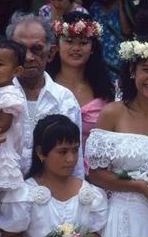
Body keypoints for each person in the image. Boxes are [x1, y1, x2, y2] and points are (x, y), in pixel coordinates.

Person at [85, 34, 148, 237]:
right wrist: (137, 186)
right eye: (147, 70)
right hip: (125, 215)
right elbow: (96, 173)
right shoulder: (112, 113)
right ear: (133, 71)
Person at [0, 114, 108, 237]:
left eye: (75, 150)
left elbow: (95, 233)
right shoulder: (24, 194)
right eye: (62, 152)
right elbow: (10, 235)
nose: (71, 159)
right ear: (41, 153)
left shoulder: (91, 194)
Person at [5, 13, 84, 180]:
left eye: (36, 49)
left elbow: (75, 163)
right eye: (20, 49)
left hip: (51, 198)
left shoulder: (65, 99)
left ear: (51, 52)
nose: (27, 57)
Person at [48, 11, 115, 176]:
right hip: (50, 176)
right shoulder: (45, 85)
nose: (76, 48)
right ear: (57, 44)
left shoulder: (107, 90)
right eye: (69, 41)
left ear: (92, 47)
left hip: (98, 177)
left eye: (83, 42)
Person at [0, 39, 26, 190]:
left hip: (0, 152)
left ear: (16, 71)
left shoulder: (9, 95)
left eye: (0, 64)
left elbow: (4, 124)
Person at [89, 0, 132, 83]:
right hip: (99, 58)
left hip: (118, 59)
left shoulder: (122, 8)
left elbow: (126, 31)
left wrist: (120, 5)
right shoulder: (94, 8)